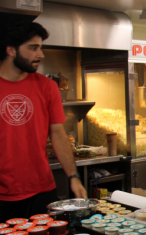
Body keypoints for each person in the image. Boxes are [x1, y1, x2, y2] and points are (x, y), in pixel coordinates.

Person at [0, 21, 87, 222]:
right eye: (33, 48)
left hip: (41, 190)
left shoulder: (47, 87)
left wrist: (73, 177)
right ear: (11, 50)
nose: (41, 54)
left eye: (41, 47)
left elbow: (58, 134)